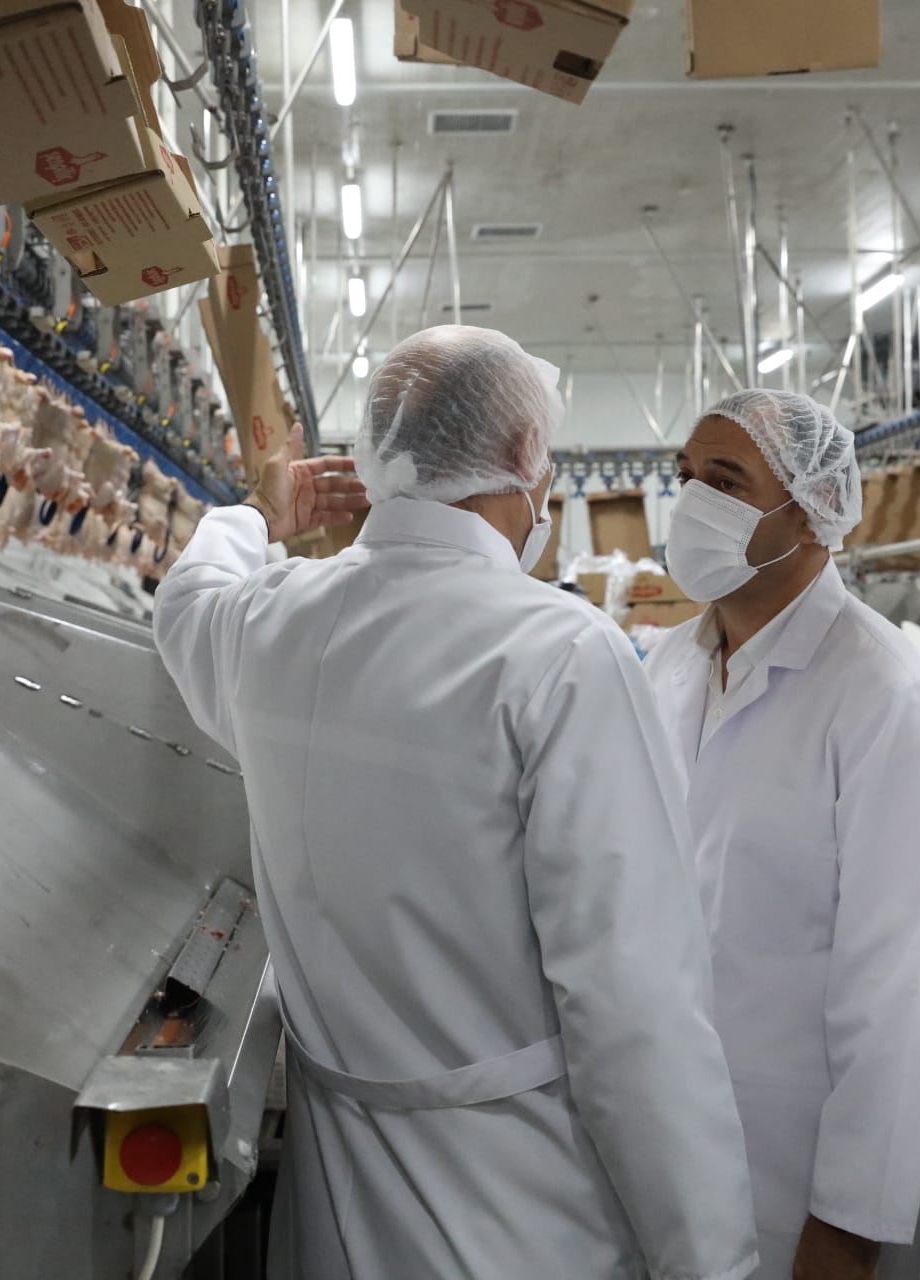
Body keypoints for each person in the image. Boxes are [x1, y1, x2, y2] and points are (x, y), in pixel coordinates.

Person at [152, 325, 759, 1280]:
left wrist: (259, 512)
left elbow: (185, 598)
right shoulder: (562, 653)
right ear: (522, 454)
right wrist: (712, 1259)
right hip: (516, 1202)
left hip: (334, 1192)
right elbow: (635, 1007)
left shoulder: (267, 621)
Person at [645, 389, 920, 1280]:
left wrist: (847, 1225)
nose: (693, 502)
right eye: (686, 477)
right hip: (683, 1145)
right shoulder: (668, 668)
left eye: (726, 481)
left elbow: (904, 988)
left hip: (817, 1178)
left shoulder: (894, 700)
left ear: (811, 511)